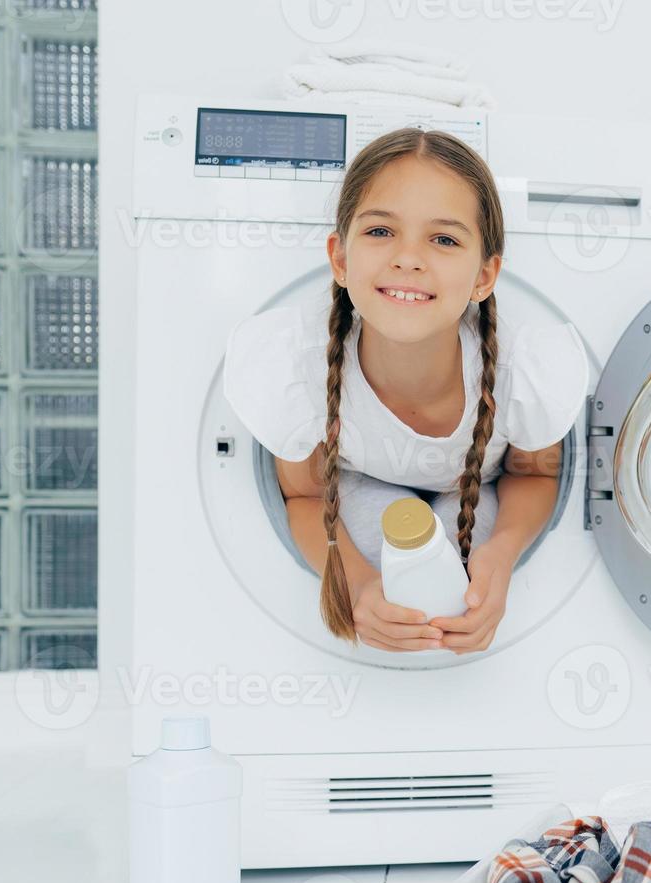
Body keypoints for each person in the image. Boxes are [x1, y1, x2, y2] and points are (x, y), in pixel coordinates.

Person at [223, 128, 587, 655]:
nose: (408, 258)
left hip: (472, 498)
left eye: (443, 240)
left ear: (484, 276)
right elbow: (303, 494)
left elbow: (532, 477)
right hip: (361, 488)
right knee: (391, 546)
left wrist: (502, 555)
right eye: (379, 232)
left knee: (458, 567)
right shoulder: (294, 363)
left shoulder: (520, 368)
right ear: (341, 259)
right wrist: (358, 584)